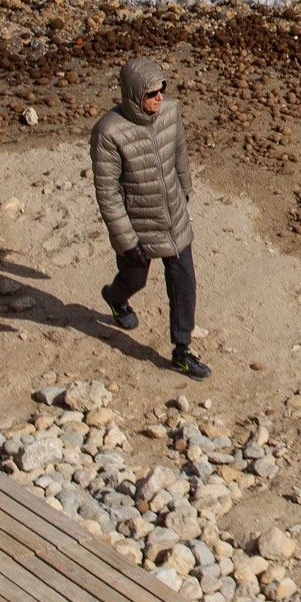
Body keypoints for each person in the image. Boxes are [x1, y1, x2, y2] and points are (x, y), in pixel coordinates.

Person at [92, 57, 210, 379]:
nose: (159, 97)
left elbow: (180, 153)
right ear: (132, 95)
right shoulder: (108, 133)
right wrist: (127, 242)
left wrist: (184, 191)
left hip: (173, 217)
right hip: (138, 226)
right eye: (151, 93)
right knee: (135, 279)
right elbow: (108, 194)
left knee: (184, 283)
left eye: (162, 89)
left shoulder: (170, 112)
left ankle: (182, 351)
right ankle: (115, 298)